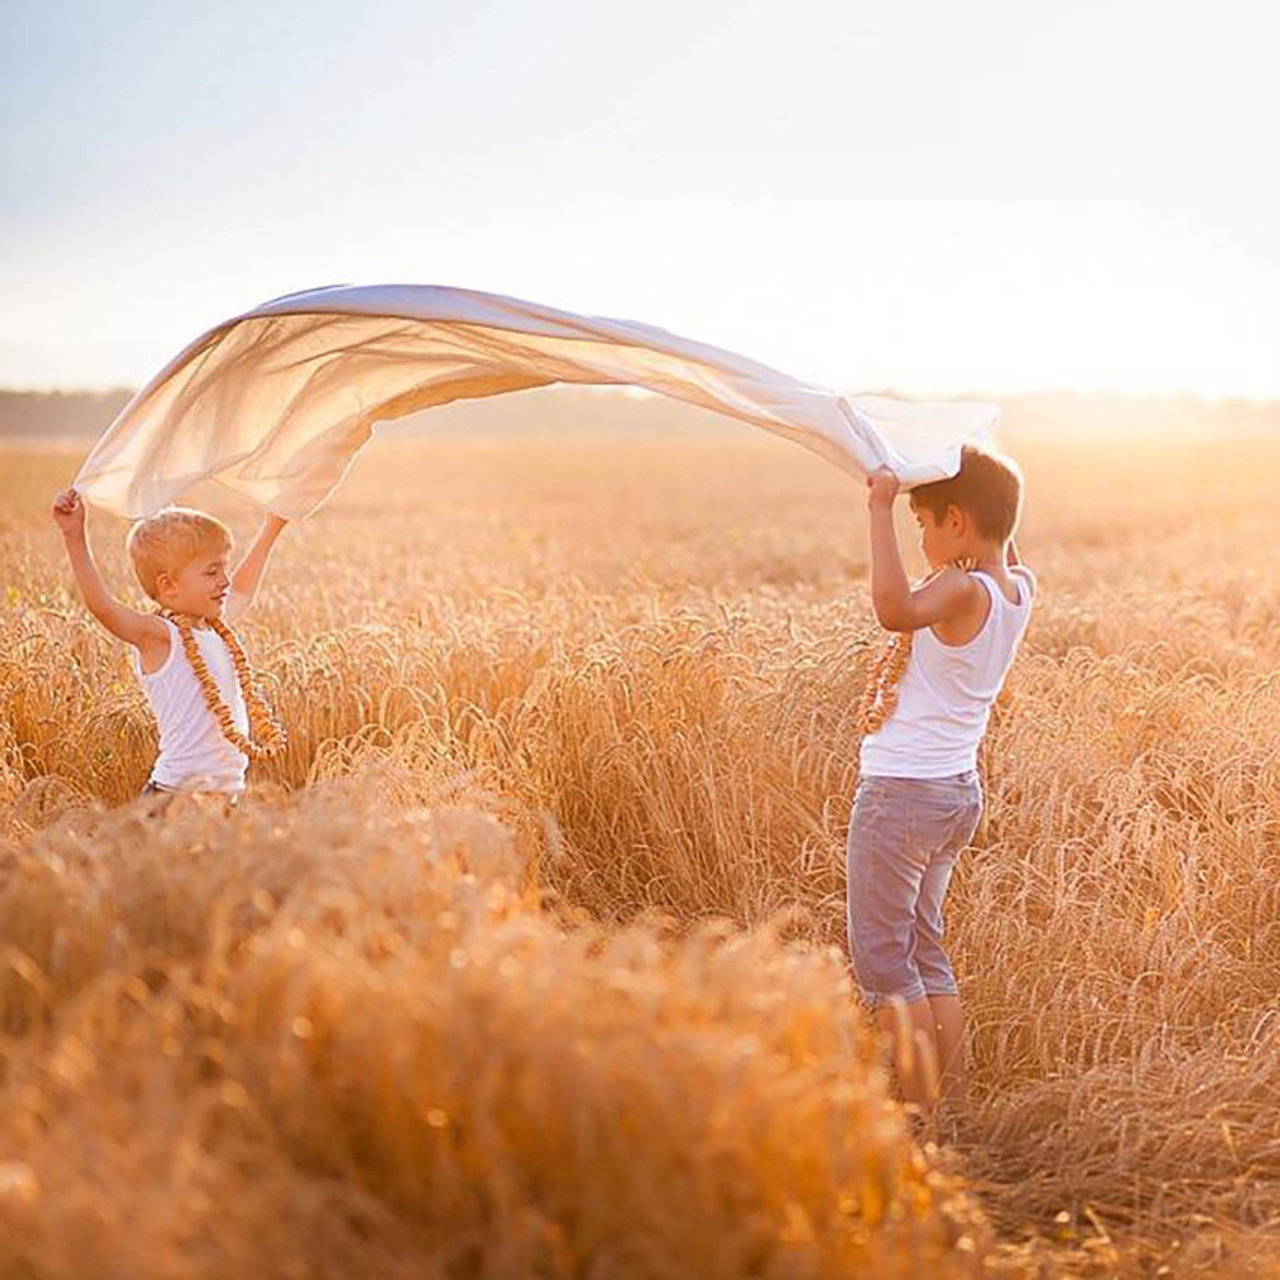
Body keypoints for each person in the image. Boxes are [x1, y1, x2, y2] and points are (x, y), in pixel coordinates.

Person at [847, 443, 1034, 1130]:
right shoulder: (1018, 588)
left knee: (884, 959)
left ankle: (918, 1118)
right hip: (954, 790)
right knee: (924, 945)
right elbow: (999, 541)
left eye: (923, 522)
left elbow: (894, 608)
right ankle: (946, 1107)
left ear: (957, 521)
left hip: (902, 794)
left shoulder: (959, 590)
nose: (919, 536)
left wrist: (878, 509)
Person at [50, 489, 288, 806]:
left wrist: (274, 525)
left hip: (225, 798)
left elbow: (243, 590)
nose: (225, 581)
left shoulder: (215, 628)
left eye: (224, 568)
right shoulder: (161, 637)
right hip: (174, 799)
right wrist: (73, 535)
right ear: (169, 586)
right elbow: (104, 608)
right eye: (211, 571)